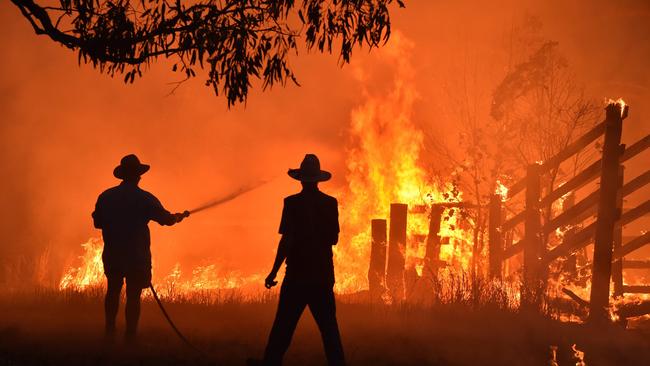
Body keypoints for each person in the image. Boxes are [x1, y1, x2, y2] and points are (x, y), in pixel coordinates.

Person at [249, 154, 346, 366]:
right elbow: (334, 239)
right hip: (322, 276)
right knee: (329, 328)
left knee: (283, 326)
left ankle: (270, 363)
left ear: (301, 179)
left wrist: (273, 271)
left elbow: (287, 240)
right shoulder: (330, 203)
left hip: (297, 276)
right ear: (318, 180)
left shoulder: (291, 203)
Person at [92, 154, 189, 342]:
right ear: (138, 176)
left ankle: (109, 331)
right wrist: (178, 217)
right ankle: (130, 336)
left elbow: (98, 223)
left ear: (122, 175)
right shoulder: (145, 198)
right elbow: (166, 220)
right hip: (136, 256)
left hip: (113, 253)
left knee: (112, 291)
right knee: (133, 295)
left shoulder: (106, 196)